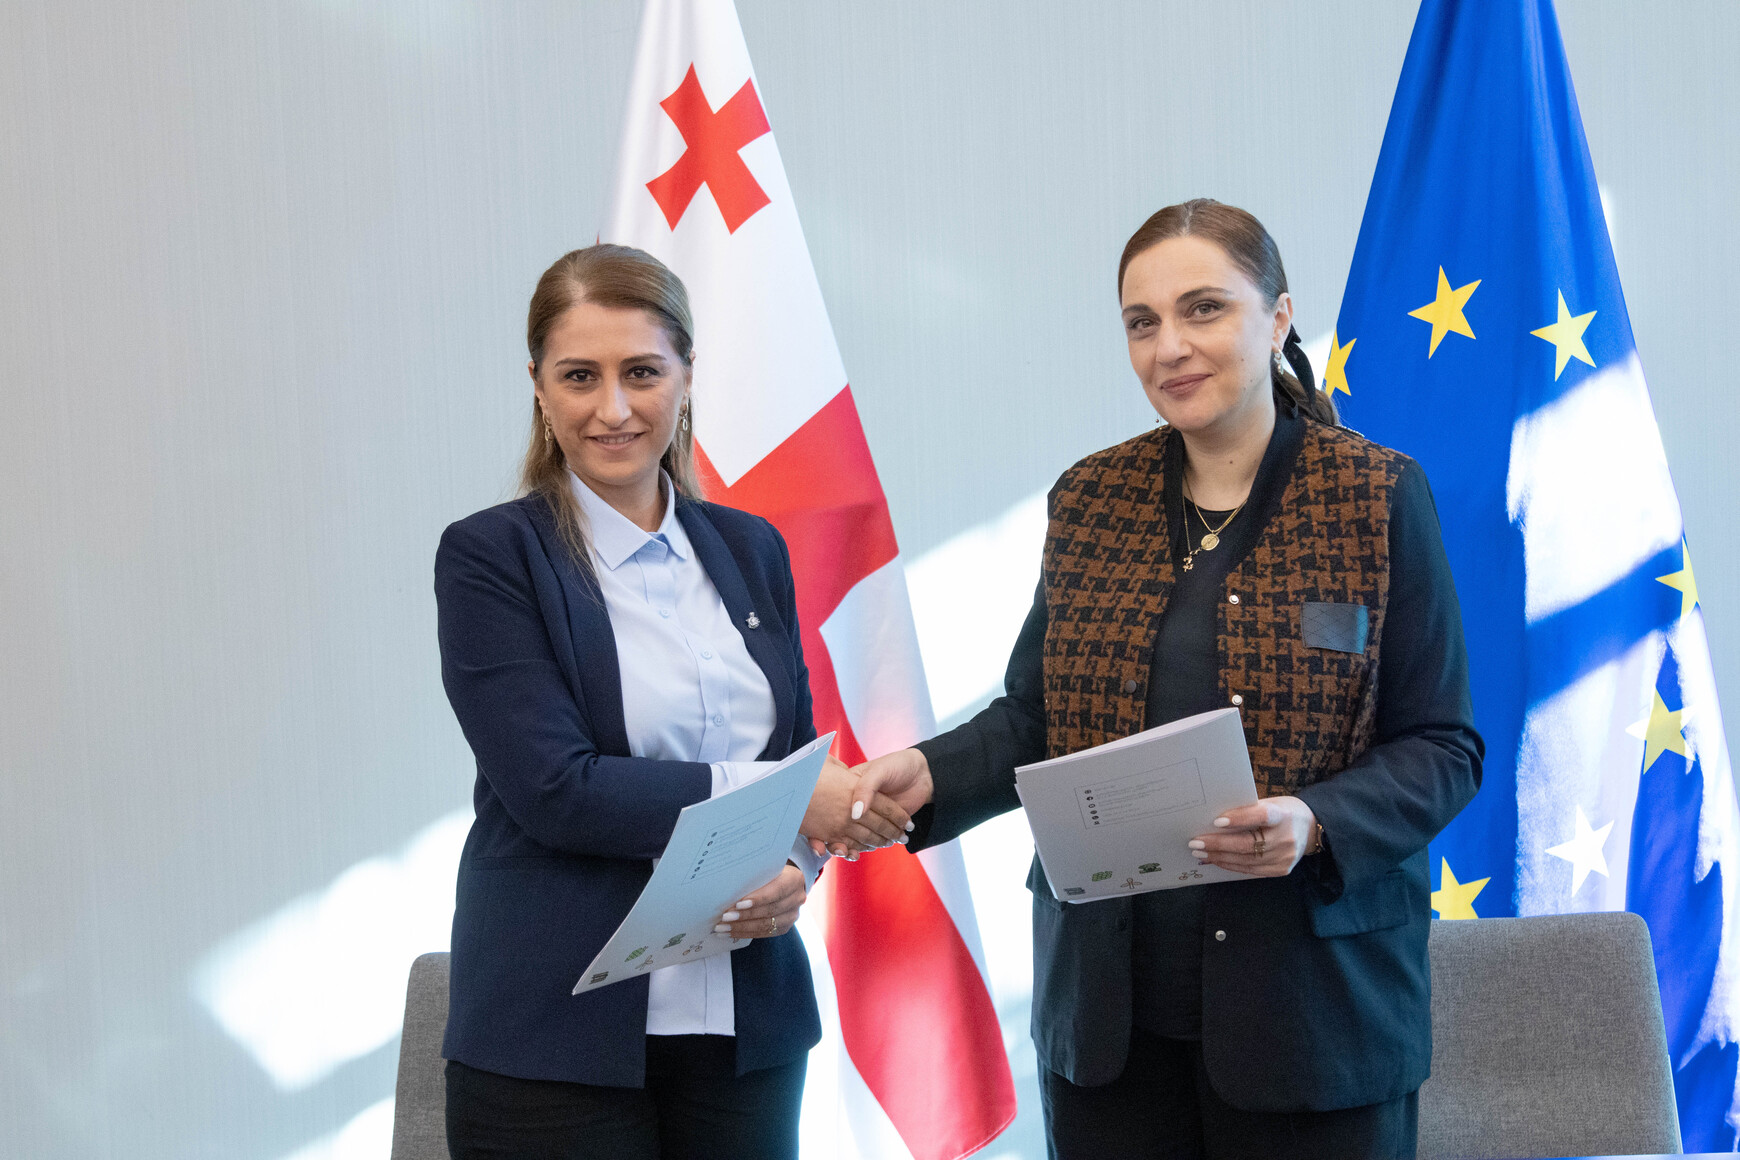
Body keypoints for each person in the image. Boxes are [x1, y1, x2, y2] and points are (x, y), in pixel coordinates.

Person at [851, 200, 1483, 1160]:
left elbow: (1443, 747)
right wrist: (928, 772)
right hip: (1110, 1027)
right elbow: (1038, 716)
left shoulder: (1375, 495)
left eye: (1204, 309)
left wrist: (1315, 821)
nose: (1170, 347)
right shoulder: (1090, 499)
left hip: (1317, 1024)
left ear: (1277, 318)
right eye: (1141, 323)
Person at [434, 244, 908, 1159]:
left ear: (687, 375)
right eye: (580, 376)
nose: (613, 408)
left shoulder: (750, 547)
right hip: (555, 1032)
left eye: (643, 372)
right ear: (539, 387)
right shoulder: (492, 558)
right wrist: (781, 800)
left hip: (744, 1027)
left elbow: (793, 757)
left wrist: (795, 868)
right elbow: (557, 791)